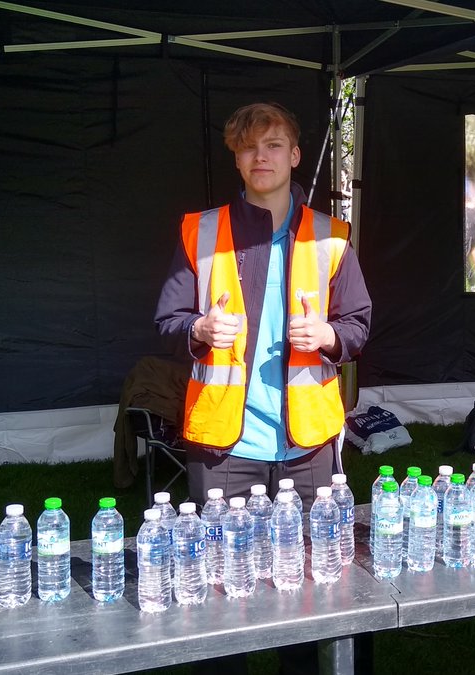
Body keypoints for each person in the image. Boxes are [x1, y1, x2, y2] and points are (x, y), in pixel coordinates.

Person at [155, 101, 371, 510]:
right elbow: (168, 321)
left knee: (308, 566)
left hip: (307, 444)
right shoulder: (198, 232)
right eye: (248, 146)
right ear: (236, 158)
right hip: (223, 446)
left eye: (273, 145)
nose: (261, 156)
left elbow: (357, 325)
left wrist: (328, 335)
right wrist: (198, 330)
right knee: (223, 570)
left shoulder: (331, 236)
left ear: (294, 156)